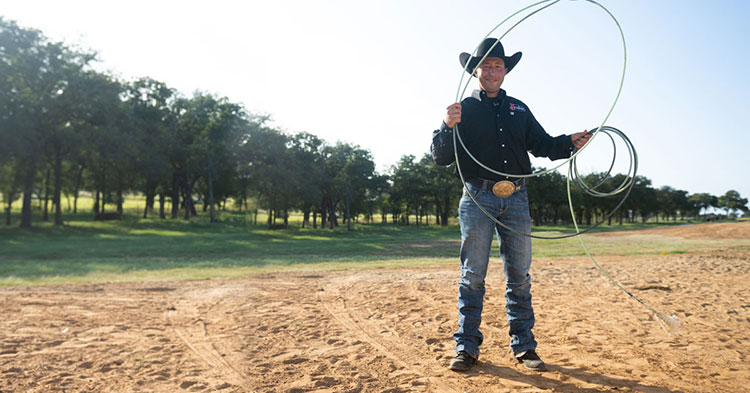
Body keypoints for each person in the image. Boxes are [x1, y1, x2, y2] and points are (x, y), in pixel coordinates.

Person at [431, 38, 591, 372]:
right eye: (485, 65)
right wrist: (446, 126)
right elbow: (441, 158)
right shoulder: (461, 109)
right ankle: (466, 347)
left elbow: (543, 144)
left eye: (497, 65)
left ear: (506, 70)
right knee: (472, 275)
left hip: (516, 197)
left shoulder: (519, 108)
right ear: (475, 70)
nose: (492, 71)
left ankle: (524, 347)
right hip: (477, 197)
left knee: (519, 276)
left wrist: (569, 143)